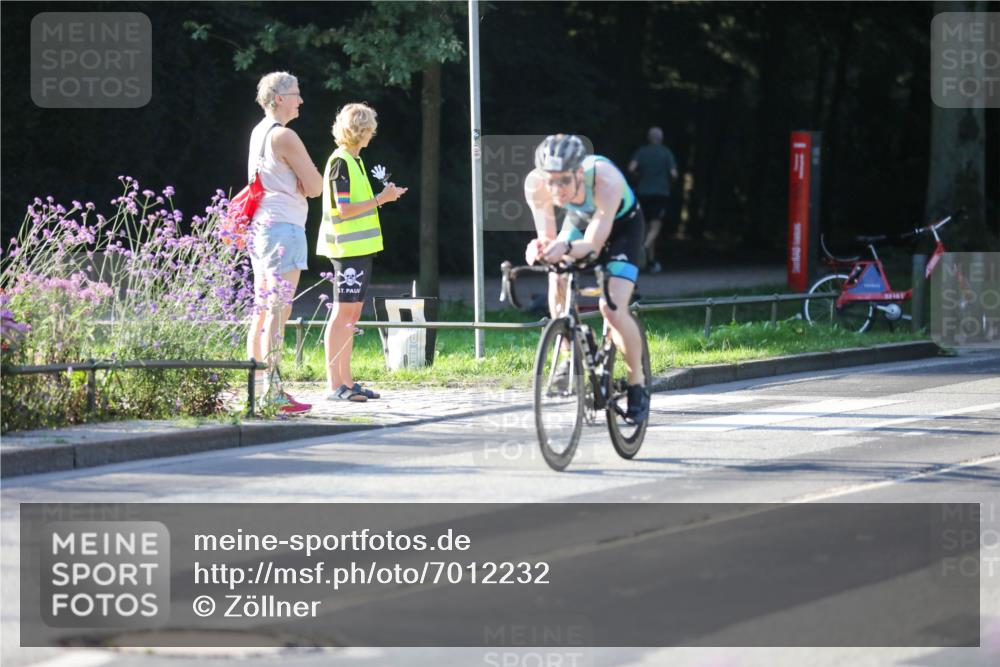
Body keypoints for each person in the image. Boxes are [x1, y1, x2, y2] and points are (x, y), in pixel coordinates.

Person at [524, 134, 649, 424]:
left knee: (612, 308)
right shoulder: (535, 185)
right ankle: (570, 356)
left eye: (564, 181)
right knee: (556, 278)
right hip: (581, 223)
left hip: (622, 230)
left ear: (580, 173)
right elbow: (548, 238)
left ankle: (636, 382)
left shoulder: (606, 180)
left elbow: (593, 245)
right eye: (550, 181)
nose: (557, 189)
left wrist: (564, 248)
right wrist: (540, 248)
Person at [316, 103, 407, 402]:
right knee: (343, 314)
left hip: (360, 250)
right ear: (360, 131)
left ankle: (347, 381)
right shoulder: (341, 161)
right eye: (369, 129)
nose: (372, 134)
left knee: (351, 316)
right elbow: (343, 210)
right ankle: (334, 385)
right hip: (346, 250)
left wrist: (383, 197)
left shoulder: (354, 161)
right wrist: (382, 199)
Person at [246, 71, 323, 414]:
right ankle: (272, 393)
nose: (301, 100)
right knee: (279, 313)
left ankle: (256, 386)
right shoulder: (286, 136)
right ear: (279, 98)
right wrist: (307, 180)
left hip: (261, 228)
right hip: (284, 229)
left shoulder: (258, 132)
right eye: (296, 93)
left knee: (262, 313)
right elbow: (316, 185)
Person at [627, 126, 678, 274]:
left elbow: (631, 168)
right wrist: (668, 182)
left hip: (642, 193)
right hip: (660, 194)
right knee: (655, 227)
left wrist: (638, 178)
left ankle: (650, 262)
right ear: (661, 138)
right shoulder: (666, 153)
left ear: (649, 138)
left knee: (646, 227)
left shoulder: (642, 152)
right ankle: (643, 247)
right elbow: (674, 174)